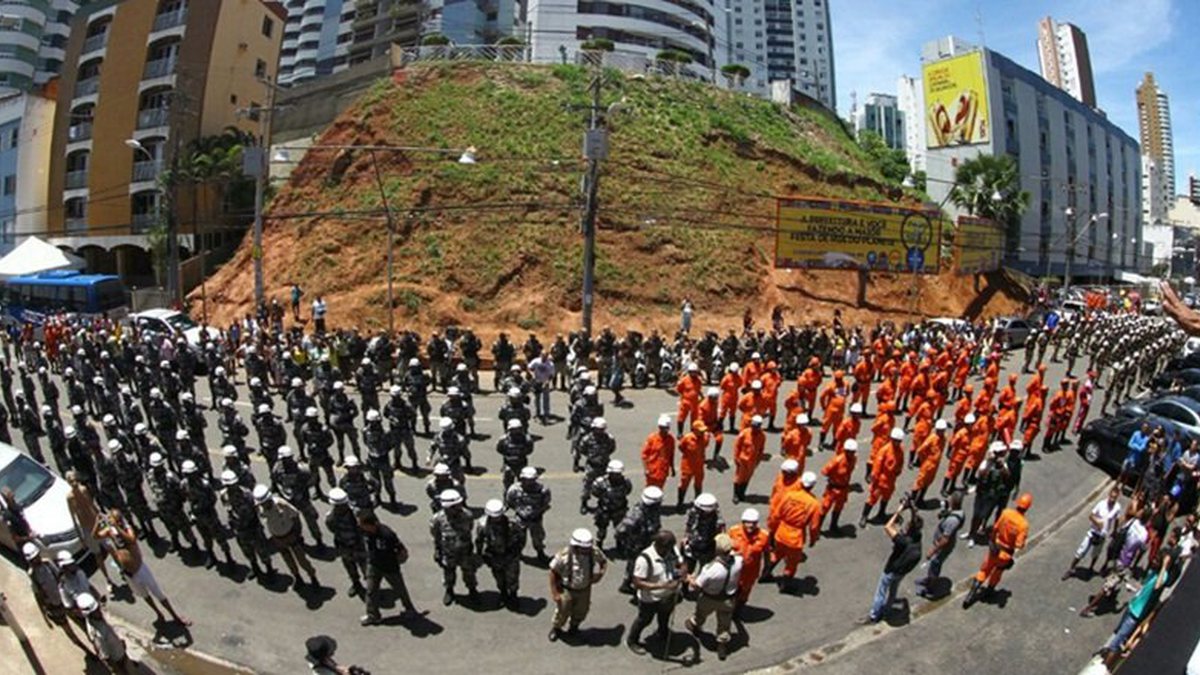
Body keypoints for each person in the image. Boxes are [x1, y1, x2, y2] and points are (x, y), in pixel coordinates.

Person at [93, 507, 192, 626]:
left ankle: (175, 616)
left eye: (118, 520)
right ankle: (158, 613)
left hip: (140, 569)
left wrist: (118, 528)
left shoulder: (126, 529)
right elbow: (95, 536)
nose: (116, 522)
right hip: (128, 573)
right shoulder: (110, 532)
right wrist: (97, 523)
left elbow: (132, 539)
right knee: (144, 595)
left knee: (158, 593)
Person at [860, 498, 923, 624]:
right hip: (901, 572)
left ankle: (874, 615)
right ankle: (887, 611)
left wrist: (898, 511)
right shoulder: (917, 539)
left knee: (881, 592)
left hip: (892, 570)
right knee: (893, 590)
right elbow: (915, 523)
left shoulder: (903, 541)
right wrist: (912, 509)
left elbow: (888, 526)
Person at [963, 492, 1032, 608]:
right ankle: (989, 592)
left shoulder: (1006, 513)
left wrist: (993, 540)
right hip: (1005, 554)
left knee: (984, 571)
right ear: (1027, 508)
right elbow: (1019, 545)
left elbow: (995, 528)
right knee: (997, 573)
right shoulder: (1023, 525)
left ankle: (970, 596)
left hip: (994, 549)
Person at [685, 532, 742, 661]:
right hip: (728, 599)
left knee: (700, 614)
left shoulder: (711, 569)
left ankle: (696, 625)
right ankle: (722, 645)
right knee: (724, 623)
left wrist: (689, 578)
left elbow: (697, 585)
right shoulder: (739, 562)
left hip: (709, 598)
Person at [627, 530, 684, 655]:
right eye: (668, 548)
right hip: (650, 598)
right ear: (660, 546)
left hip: (668, 596)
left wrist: (681, 573)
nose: (671, 550)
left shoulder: (672, 550)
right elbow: (638, 583)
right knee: (644, 620)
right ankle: (632, 640)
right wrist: (662, 585)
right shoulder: (645, 559)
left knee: (665, 616)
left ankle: (662, 633)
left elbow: (681, 563)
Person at [254, 484, 320, 590]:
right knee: (289, 561)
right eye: (261, 503)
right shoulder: (261, 509)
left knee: (302, 560)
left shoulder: (281, 504)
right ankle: (298, 578)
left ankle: (313, 578)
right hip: (278, 539)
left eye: (264, 502)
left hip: (291, 535)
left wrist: (297, 534)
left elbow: (295, 515)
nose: (263, 505)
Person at [359, 511, 419, 626]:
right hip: (374, 565)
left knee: (400, 590)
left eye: (363, 525)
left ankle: (410, 609)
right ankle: (373, 615)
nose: (361, 527)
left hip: (390, 568)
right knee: (371, 591)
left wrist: (397, 561)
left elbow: (402, 550)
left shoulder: (387, 534)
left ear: (372, 524)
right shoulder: (364, 532)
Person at [548, 528, 608, 641]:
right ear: (576, 546)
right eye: (584, 548)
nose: (586, 550)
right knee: (562, 611)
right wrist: (555, 592)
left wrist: (600, 575)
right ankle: (557, 629)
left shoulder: (593, 552)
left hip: (584, 589)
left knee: (582, 610)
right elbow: (552, 572)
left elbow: (603, 561)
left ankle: (574, 627)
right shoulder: (564, 556)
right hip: (567, 589)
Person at [430, 488, 480, 606]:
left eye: (457, 505)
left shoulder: (467, 515)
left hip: (465, 551)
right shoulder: (437, 519)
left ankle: (472, 590)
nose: (457, 508)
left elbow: (470, 528)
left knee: (469, 572)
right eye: (454, 506)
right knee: (448, 573)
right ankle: (450, 591)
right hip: (448, 552)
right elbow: (435, 535)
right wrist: (437, 551)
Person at [1063, 487, 1123, 581]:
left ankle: (1091, 568)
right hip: (1093, 532)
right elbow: (1091, 516)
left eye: (1114, 498)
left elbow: (1117, 519)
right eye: (1111, 497)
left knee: (1096, 553)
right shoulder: (1101, 504)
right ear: (1109, 495)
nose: (1112, 499)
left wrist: (1114, 531)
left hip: (1102, 535)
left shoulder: (1117, 507)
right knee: (1081, 551)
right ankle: (1071, 569)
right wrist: (1097, 522)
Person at [475, 498, 525, 609]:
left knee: (513, 577)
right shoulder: (482, 524)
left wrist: (517, 552)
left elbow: (521, 537)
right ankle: (503, 594)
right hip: (494, 556)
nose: (496, 519)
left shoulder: (513, 523)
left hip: (510, 555)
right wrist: (480, 555)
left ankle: (513, 595)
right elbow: (479, 540)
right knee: (498, 577)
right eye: (494, 517)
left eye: (498, 516)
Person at [914, 491, 964, 599]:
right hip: (940, 543)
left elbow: (945, 540)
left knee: (934, 565)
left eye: (951, 499)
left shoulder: (953, 521)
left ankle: (930, 589)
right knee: (933, 565)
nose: (949, 500)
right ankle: (928, 580)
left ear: (954, 502)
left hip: (942, 548)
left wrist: (933, 550)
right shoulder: (957, 512)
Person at [76, 592, 138, 674]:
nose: (99, 611)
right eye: (95, 611)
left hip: (121, 650)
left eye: (98, 608)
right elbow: (106, 657)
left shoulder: (100, 618)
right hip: (119, 661)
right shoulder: (96, 634)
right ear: (89, 614)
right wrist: (118, 672)